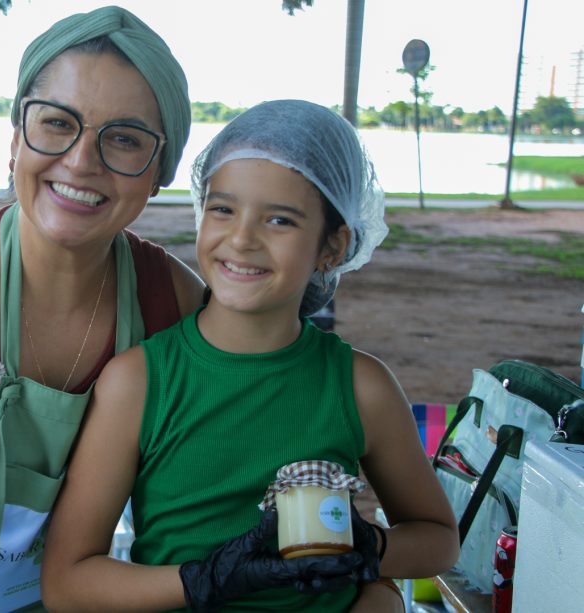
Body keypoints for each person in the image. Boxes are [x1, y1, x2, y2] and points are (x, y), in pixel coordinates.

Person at [0, 8, 401, 612]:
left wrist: (365, 581)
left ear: (162, 171)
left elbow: (267, 453)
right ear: (16, 137)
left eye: (124, 139)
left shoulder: (173, 304)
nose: (80, 161)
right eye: (55, 122)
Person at [41, 100, 460, 611]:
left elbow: (438, 540)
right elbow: (67, 584)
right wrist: (204, 580)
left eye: (280, 220)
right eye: (222, 209)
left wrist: (368, 551)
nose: (241, 239)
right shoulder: (139, 381)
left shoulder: (360, 385)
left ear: (333, 247)